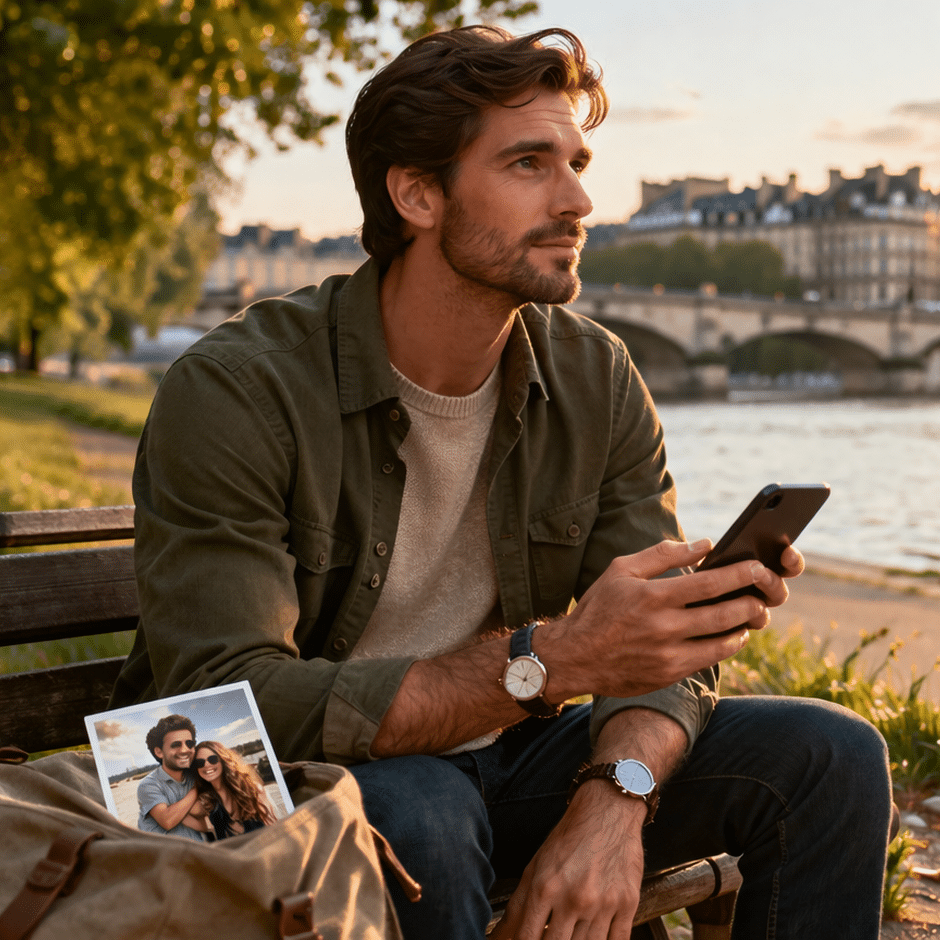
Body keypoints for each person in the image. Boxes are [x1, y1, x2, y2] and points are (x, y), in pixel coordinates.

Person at [111, 25, 893, 938]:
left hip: (512, 761)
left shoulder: (595, 376)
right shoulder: (241, 389)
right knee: (422, 815)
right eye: (529, 163)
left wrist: (615, 800)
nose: (578, 200)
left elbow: (655, 660)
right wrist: (557, 659)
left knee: (832, 754)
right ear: (417, 193)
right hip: (296, 791)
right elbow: (227, 710)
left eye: (576, 161)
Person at [185, 742, 277, 840]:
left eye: (213, 759)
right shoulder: (206, 803)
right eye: (200, 762)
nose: (206, 765)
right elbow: (173, 818)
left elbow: (274, 827)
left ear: (223, 760)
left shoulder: (253, 790)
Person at [136, 714, 205, 842]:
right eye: (176, 745)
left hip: (200, 852)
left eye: (189, 744)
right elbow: (167, 820)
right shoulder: (148, 785)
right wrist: (197, 789)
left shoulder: (196, 774)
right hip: (163, 856)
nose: (185, 750)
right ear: (159, 752)